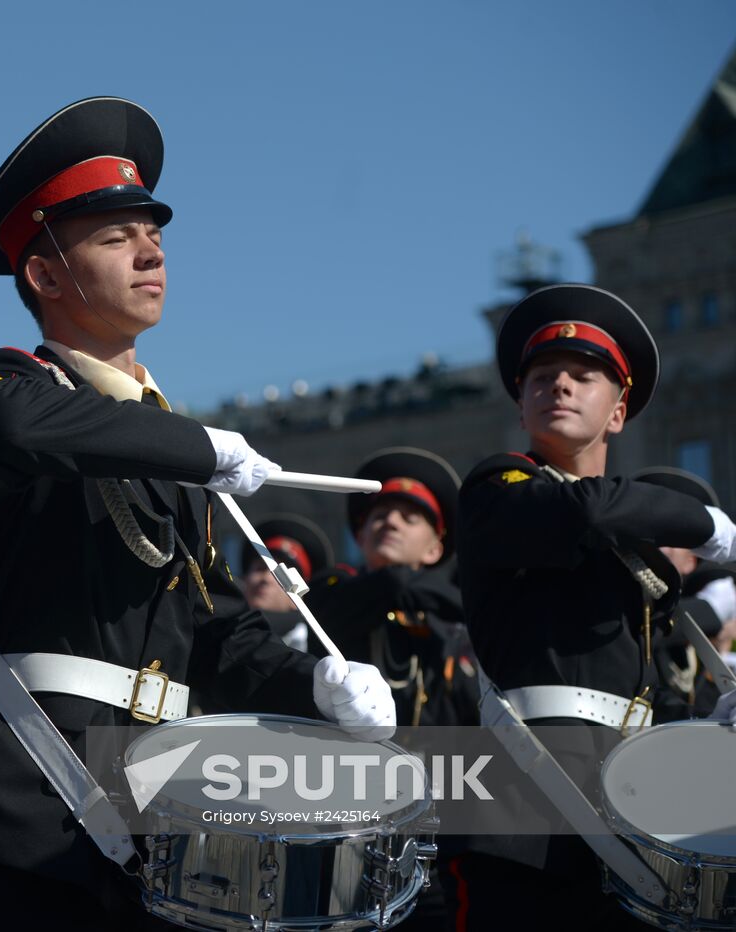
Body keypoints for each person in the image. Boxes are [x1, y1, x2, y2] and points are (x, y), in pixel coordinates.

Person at [0, 97, 394, 931]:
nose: (150, 251)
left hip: (157, 815)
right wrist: (199, 448)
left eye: (154, 235)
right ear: (45, 275)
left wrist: (312, 683)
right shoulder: (11, 386)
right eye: (114, 238)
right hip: (23, 805)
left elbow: (215, 632)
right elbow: (11, 422)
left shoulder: (161, 437)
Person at [447, 283, 736, 930]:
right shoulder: (498, 488)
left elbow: (645, 679)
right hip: (522, 798)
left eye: (583, 376)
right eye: (543, 377)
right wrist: (711, 526)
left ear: (618, 412)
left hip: (634, 802)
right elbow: (591, 506)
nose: (561, 386)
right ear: (521, 407)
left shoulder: (638, 558)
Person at [306, 448, 477, 728]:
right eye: (380, 515)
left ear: (435, 549)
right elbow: (393, 583)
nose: (391, 522)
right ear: (360, 537)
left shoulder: (447, 627)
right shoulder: (333, 587)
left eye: (409, 519)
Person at [633, 466, 736, 718]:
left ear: (691, 560)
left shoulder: (694, 646)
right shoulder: (623, 606)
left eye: (669, 537)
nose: (658, 547)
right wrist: (709, 610)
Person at [237, 514, 334, 653]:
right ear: (245, 578)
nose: (266, 578)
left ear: (301, 593)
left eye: (281, 575)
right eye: (260, 568)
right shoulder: (222, 630)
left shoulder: (314, 647)